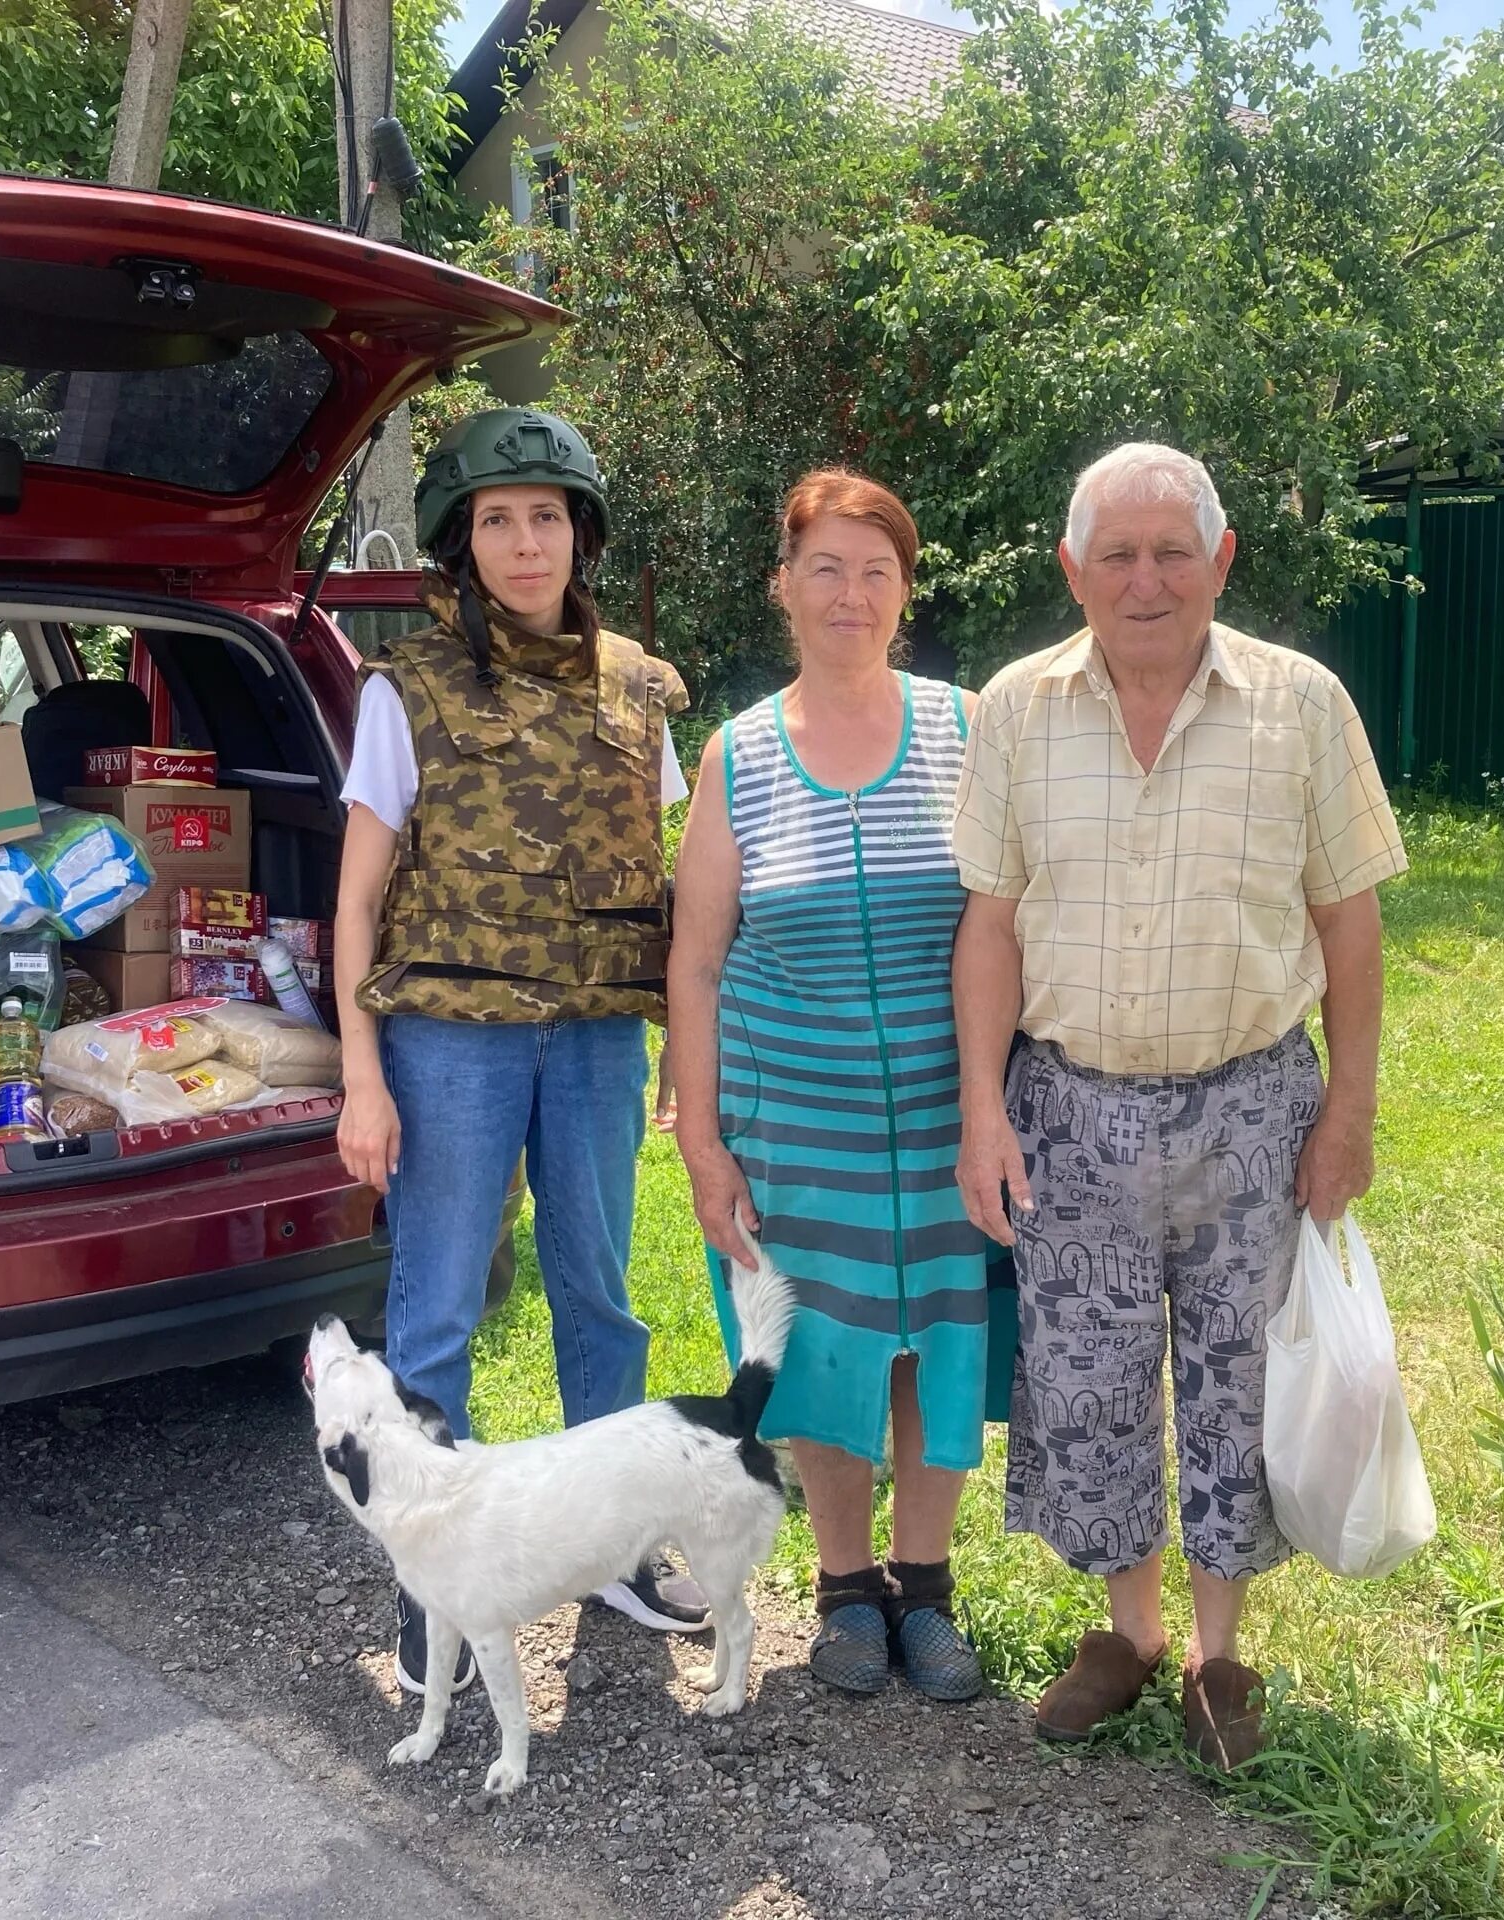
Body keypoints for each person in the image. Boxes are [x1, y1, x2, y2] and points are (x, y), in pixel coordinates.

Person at [949, 442, 1406, 1768]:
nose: (1145, 579)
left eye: (1171, 552)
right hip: (1070, 1115)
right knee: (1086, 1388)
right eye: (1117, 554)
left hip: (1255, 1109)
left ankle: (1218, 1657)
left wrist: (1351, 1110)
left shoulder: (1302, 705)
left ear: (1221, 560)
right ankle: (1127, 1632)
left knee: (1236, 1382)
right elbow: (988, 927)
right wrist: (986, 1107)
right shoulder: (1017, 710)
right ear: (1073, 570)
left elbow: (1351, 922)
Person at [333, 407, 707, 1699]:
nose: (525, 541)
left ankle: (607, 1546)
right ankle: (433, 1573)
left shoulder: (642, 692)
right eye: (498, 519)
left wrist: (680, 1057)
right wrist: (364, 1071)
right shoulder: (409, 690)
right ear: (460, 542)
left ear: (581, 534)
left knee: (600, 1299)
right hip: (452, 1042)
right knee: (434, 1311)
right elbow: (358, 900)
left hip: (596, 1037)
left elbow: (670, 892)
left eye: (546, 516)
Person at [668, 471, 998, 1701]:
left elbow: (1000, 927)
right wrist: (702, 1143)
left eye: (875, 570)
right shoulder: (739, 753)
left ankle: (926, 1591)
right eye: (825, 568)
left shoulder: (968, 730)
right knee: (820, 1349)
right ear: (784, 588)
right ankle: (844, 1592)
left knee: (934, 1347)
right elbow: (695, 960)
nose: (850, 593)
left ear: (906, 591)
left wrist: (991, 1103)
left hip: (944, 1108)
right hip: (790, 1117)